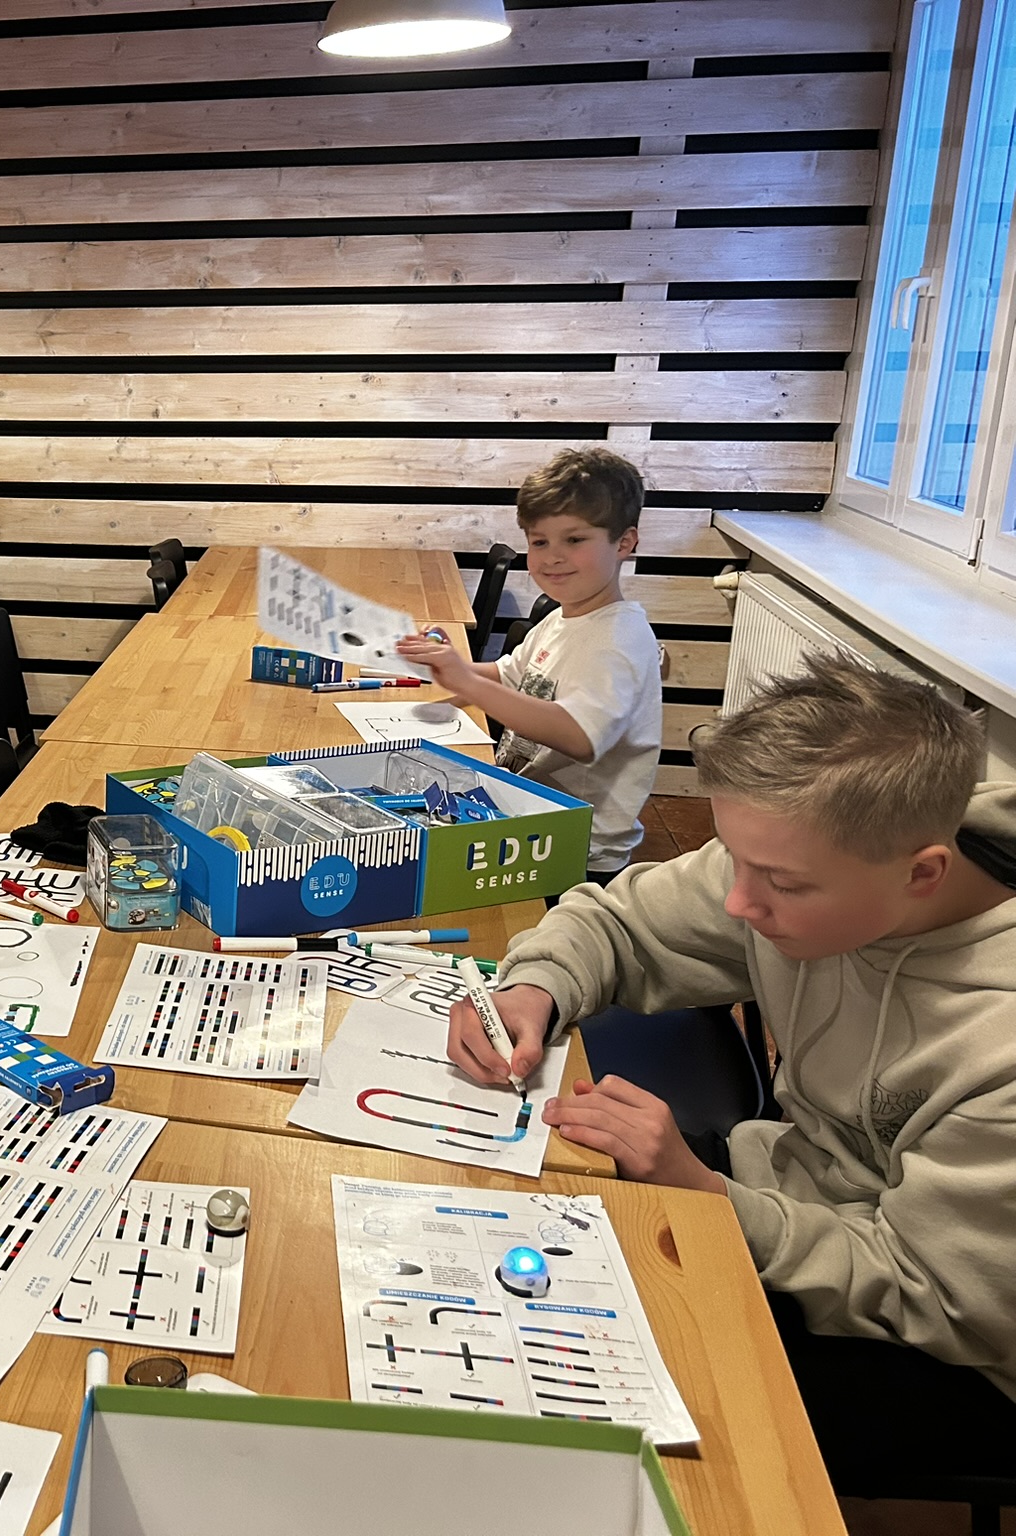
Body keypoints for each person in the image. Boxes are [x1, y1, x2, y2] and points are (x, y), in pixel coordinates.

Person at [450, 656, 1016, 1485]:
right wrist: (535, 987)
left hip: (945, 1351)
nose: (740, 905)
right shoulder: (822, 843)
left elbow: (941, 1299)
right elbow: (620, 922)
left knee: (579, 1403)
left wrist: (708, 1198)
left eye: (780, 883)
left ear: (922, 873)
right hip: (790, 1205)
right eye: (736, 861)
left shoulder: (997, 1049)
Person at [397, 447, 662, 885]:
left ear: (624, 543)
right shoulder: (563, 618)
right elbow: (509, 676)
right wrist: (445, 664)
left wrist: (466, 682)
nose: (552, 557)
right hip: (532, 814)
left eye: (574, 540)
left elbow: (580, 738)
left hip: (579, 851)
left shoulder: (618, 640)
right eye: (539, 542)